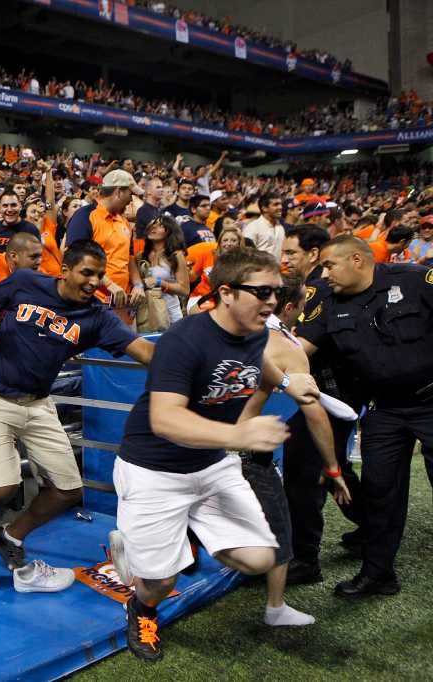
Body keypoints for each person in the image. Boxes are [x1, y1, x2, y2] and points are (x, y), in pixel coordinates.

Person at [108, 248, 321, 662]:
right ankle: (141, 606)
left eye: (276, 292)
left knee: (260, 557)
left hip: (209, 465)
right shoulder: (183, 340)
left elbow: (258, 358)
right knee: (160, 582)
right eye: (262, 292)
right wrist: (238, 432)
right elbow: (165, 420)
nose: (273, 302)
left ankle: (170, 536)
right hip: (154, 471)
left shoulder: (255, 330)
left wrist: (287, 382)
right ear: (226, 292)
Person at [0, 240, 154, 590]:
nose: (94, 281)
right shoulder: (26, 282)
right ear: (65, 271)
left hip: (37, 403)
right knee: (3, 486)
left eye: (99, 275)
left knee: (67, 489)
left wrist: (193, 358)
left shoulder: (97, 317)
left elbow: (142, 350)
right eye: (87, 273)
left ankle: (11, 536)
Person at [296, 235, 433, 598]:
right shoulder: (327, 299)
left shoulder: (415, 280)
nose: (324, 274)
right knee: (380, 491)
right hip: (382, 409)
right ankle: (378, 574)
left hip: (431, 401)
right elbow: (302, 348)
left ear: (357, 260)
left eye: (329, 265)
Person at [235, 272, 351, 627]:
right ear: (289, 307)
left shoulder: (225, 328)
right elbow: (315, 415)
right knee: (280, 530)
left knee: (189, 513)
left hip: (203, 439)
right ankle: (275, 607)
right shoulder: (288, 348)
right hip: (244, 451)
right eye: (303, 306)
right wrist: (333, 469)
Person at [279, 225, 365, 584]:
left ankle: (305, 559)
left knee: (304, 473)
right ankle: (376, 524)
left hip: (332, 394)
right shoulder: (321, 286)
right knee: (335, 468)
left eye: (292, 254)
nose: (284, 260)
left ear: (313, 255)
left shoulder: (319, 289)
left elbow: (301, 348)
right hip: (340, 390)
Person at [64, 169, 145, 321]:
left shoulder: (125, 222)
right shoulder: (85, 216)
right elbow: (74, 259)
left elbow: (130, 257)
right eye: (130, 194)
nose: (131, 201)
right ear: (119, 192)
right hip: (93, 302)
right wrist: (109, 284)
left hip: (122, 304)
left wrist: (138, 284)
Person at [139, 215, 189, 324]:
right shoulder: (142, 255)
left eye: (159, 226)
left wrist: (159, 282)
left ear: (169, 231)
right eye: (152, 225)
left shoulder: (176, 255)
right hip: (146, 314)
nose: (153, 228)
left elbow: (184, 290)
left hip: (170, 314)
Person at [243, 193, 285, 260]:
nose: (280, 207)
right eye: (276, 204)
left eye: (280, 204)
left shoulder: (281, 228)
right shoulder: (252, 228)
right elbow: (247, 254)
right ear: (264, 208)